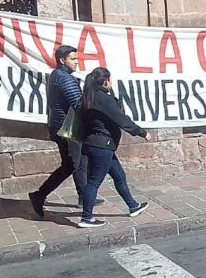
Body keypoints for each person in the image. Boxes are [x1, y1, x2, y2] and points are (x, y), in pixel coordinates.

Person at [78, 67, 151, 228]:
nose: (111, 83)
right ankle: (86, 218)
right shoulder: (103, 99)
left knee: (119, 176)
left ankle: (133, 206)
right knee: (94, 182)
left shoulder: (87, 97)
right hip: (102, 145)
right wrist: (141, 132)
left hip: (93, 144)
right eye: (110, 80)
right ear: (105, 81)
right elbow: (121, 119)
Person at [28, 45, 88, 218]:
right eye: (73, 59)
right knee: (72, 164)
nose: (76, 62)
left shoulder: (58, 75)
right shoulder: (65, 78)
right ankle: (39, 195)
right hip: (66, 129)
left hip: (62, 127)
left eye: (76, 59)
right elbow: (78, 104)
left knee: (80, 161)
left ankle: (84, 198)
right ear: (62, 60)